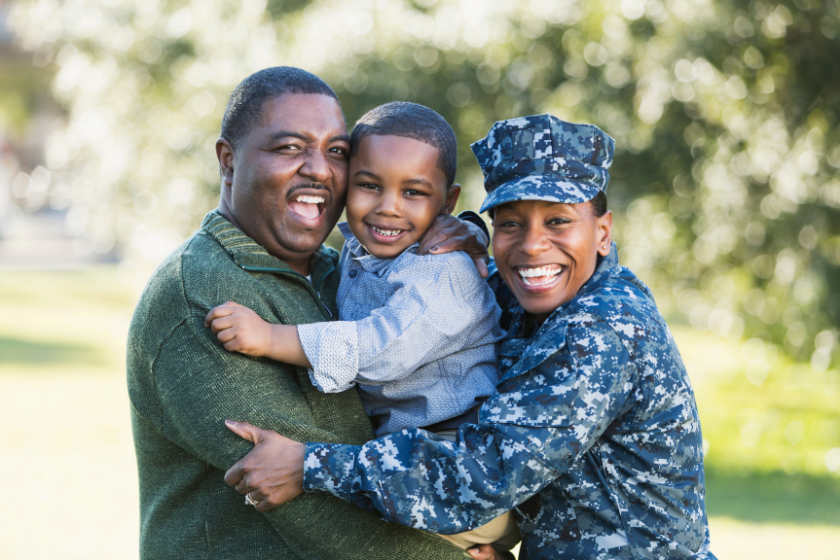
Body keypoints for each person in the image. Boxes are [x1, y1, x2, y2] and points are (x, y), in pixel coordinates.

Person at [222, 115, 717, 560]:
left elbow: (482, 476)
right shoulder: (526, 291)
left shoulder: (599, 329)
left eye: (559, 221)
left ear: (603, 232)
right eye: (510, 224)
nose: (531, 245)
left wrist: (311, 465)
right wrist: (468, 234)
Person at [126, 67, 491, 560]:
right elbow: (318, 507)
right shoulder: (201, 295)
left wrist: (469, 232)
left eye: (336, 152)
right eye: (289, 147)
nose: (319, 169)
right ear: (228, 162)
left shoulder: (344, 269)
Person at [204, 101, 520, 552]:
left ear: (447, 203)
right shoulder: (359, 249)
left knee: (353, 523)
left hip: (457, 463)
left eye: (413, 193)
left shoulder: (442, 273)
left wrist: (271, 338)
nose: (387, 209)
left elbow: (377, 348)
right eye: (369, 185)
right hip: (405, 455)